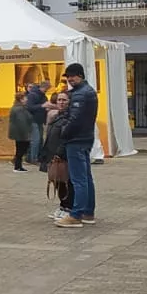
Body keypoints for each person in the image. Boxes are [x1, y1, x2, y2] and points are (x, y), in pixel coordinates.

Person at [54, 64, 98, 228]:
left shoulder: (81, 94)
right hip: (85, 138)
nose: (70, 79)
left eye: (72, 76)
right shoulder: (87, 91)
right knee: (86, 177)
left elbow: (75, 119)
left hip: (76, 140)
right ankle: (88, 212)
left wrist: (64, 133)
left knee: (78, 178)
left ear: (80, 75)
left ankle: (76, 215)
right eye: (68, 77)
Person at [41, 91, 74, 222]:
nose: (61, 102)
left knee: (65, 182)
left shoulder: (68, 117)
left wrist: (59, 153)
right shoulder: (56, 116)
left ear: (69, 102)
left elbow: (65, 138)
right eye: (59, 100)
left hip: (61, 155)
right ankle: (62, 206)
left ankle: (68, 208)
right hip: (52, 154)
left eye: (64, 100)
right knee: (56, 181)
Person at [8, 93, 34, 172]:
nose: (27, 99)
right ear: (21, 99)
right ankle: (17, 166)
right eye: (25, 98)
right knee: (21, 149)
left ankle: (18, 166)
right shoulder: (20, 109)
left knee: (20, 149)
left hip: (18, 133)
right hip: (21, 133)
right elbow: (21, 122)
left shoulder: (18, 107)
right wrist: (26, 134)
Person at [24, 81, 49, 165]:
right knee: (36, 140)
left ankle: (36, 157)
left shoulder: (43, 96)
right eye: (46, 89)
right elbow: (29, 107)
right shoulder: (32, 95)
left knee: (40, 140)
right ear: (43, 87)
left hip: (39, 121)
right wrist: (42, 106)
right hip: (32, 120)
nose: (47, 91)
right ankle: (33, 158)